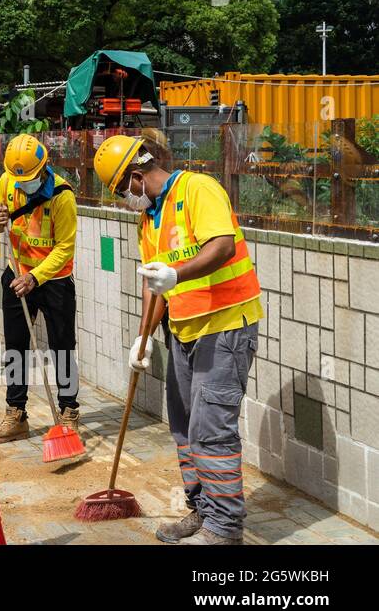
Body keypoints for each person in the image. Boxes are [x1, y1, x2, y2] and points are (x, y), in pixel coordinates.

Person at [93, 135, 263, 546]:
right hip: (184, 331)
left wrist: (178, 274)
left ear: (137, 177)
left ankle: (224, 529)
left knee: (212, 429)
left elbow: (221, 246)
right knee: (186, 427)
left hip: (223, 328)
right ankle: (203, 510)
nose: (123, 200)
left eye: (121, 191)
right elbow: (155, 284)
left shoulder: (197, 189)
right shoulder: (149, 217)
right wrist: (143, 339)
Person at [0, 134, 81, 444]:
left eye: (27, 177)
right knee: (15, 347)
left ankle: (69, 410)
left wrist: (36, 277)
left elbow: (65, 248)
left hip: (54, 282)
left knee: (62, 348)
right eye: (17, 178)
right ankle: (16, 413)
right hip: (17, 275)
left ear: (43, 168)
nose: (21, 183)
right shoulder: (8, 181)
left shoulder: (63, 196)